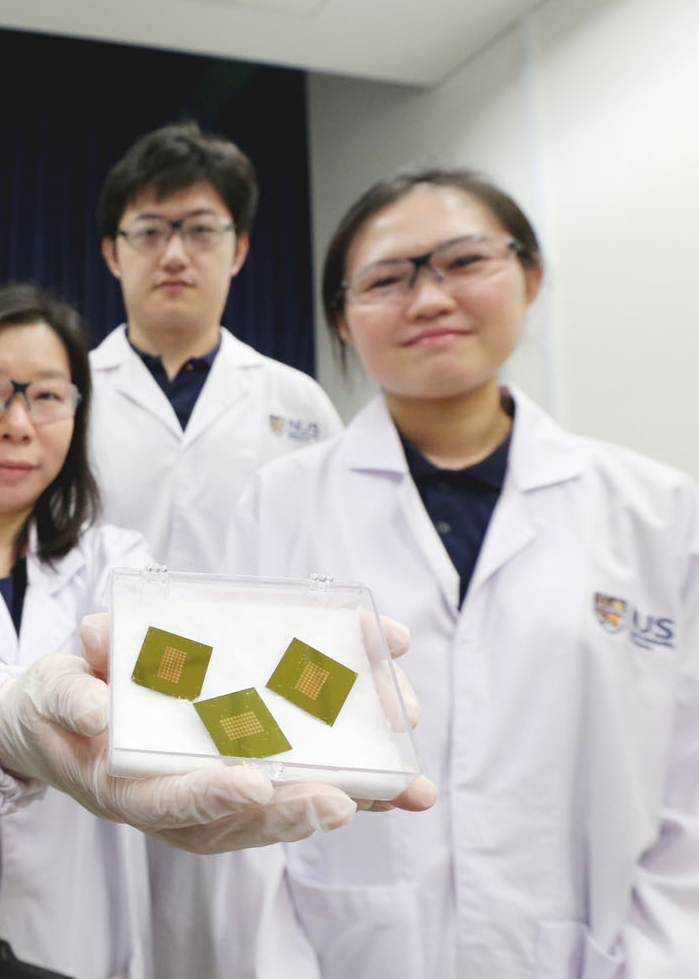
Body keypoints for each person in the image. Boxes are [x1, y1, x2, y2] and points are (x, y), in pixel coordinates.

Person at [0, 284, 370, 979]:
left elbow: (188, 668)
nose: (18, 424)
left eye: (47, 395)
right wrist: (6, 720)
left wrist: (314, 708)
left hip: (68, 938)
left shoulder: (116, 562)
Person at [215, 170, 699, 976]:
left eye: (464, 262)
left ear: (530, 276)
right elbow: (237, 759)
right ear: (342, 314)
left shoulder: (658, 514)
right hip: (346, 949)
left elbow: (690, 783)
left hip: (606, 953)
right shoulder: (280, 506)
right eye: (387, 278)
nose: (430, 298)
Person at [90, 120, 342, 571]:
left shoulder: (299, 402)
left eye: (201, 231)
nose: (174, 256)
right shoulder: (67, 394)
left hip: (252, 642)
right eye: (149, 232)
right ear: (112, 253)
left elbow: (335, 552)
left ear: (239, 251)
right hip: (95, 639)